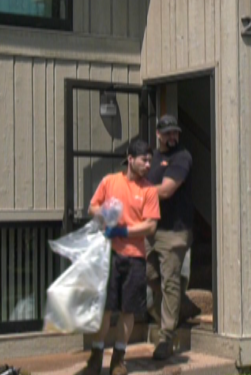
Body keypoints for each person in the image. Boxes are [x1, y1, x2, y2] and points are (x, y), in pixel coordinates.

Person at [82, 139, 161, 375]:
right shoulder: (110, 181)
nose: (148, 164)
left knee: (128, 311)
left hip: (135, 258)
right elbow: (92, 208)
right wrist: (106, 215)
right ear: (130, 159)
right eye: (144, 160)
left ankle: (119, 358)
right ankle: (96, 357)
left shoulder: (149, 190)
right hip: (110, 256)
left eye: (150, 160)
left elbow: (150, 227)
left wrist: (124, 230)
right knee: (106, 309)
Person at [145, 114, 195, 360]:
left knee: (170, 281)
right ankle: (179, 308)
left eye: (175, 133)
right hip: (151, 229)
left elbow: (165, 190)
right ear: (158, 134)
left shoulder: (182, 157)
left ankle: (166, 338)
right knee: (148, 275)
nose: (173, 137)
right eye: (168, 133)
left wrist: (134, 193)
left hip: (175, 230)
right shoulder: (151, 158)